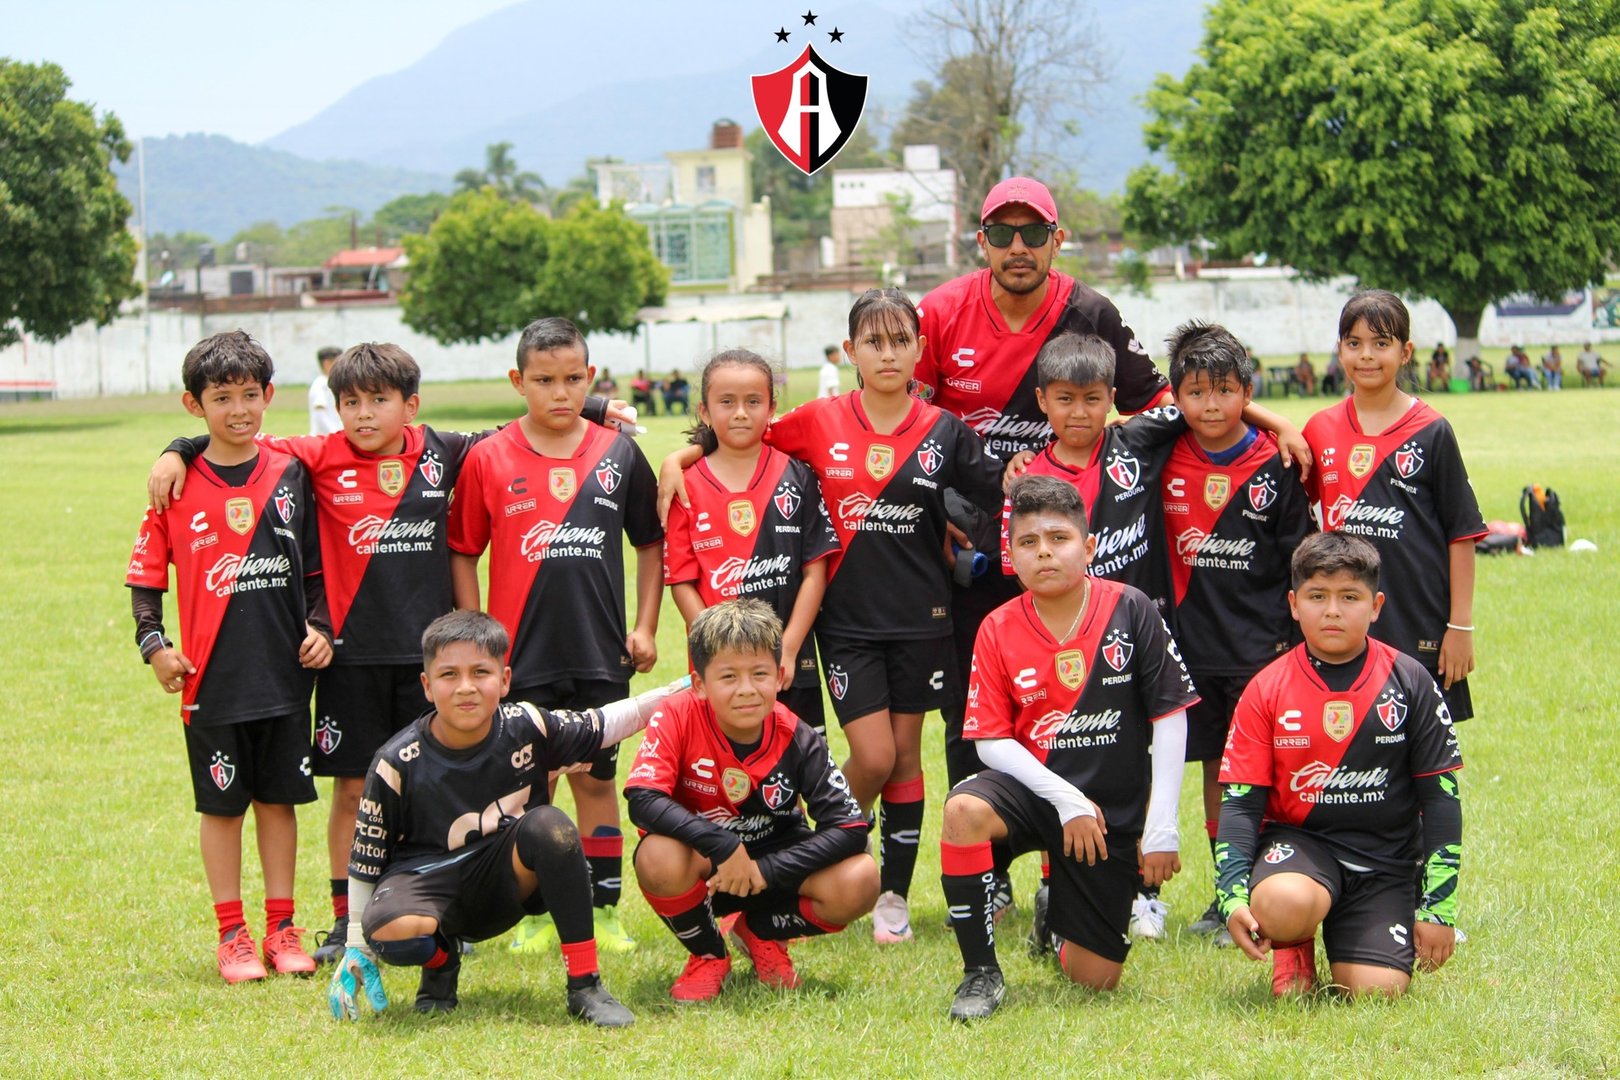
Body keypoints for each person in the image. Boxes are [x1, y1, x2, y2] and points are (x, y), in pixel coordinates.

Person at [662, 288, 1007, 945]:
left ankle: (892, 897)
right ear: (850, 350)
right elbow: (742, 434)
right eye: (873, 342)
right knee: (872, 757)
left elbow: (996, 494)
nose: (887, 354)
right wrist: (676, 459)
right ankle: (810, 856)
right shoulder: (817, 421)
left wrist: (962, 529)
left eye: (900, 341)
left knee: (905, 760)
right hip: (845, 624)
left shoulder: (945, 431)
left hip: (923, 616)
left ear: (919, 349)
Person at [145, 343, 497, 964]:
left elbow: (517, 434)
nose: (364, 415)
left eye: (379, 401)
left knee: (438, 785)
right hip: (346, 657)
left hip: (431, 662)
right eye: (350, 402)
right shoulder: (315, 455)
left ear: (410, 406)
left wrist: (598, 409)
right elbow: (235, 437)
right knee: (354, 789)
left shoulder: (441, 450)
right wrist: (177, 448)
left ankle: (445, 911)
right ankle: (346, 918)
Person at [1000, 331, 1298, 943]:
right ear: (1043, 401)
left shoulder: (1139, 438)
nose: (1079, 413)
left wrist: (1283, 424)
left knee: (1143, 767)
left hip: (1144, 636)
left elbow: (1208, 403)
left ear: (1113, 398)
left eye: (1092, 399)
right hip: (1068, 647)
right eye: (1064, 400)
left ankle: (1146, 893)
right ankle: (1063, 889)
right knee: (1077, 760)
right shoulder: (1030, 482)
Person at [328, 609, 689, 1023]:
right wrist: (357, 944)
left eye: (480, 672)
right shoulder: (396, 760)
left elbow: (605, 723)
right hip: (427, 884)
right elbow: (367, 857)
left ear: (504, 680)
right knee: (391, 932)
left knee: (551, 826)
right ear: (427, 686)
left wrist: (684, 688)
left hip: (506, 882)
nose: (466, 687)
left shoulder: (526, 724)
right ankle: (442, 962)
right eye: (449, 675)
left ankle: (585, 986)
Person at [939, 475, 1198, 1020]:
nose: (1044, 552)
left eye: (1059, 538)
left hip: (1108, 812)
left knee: (1096, 979)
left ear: (1090, 545)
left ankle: (1054, 920)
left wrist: (1162, 826)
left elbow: (1170, 717)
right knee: (963, 810)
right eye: (1029, 542)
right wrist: (1065, 799)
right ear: (1011, 556)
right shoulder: (996, 627)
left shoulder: (1131, 609)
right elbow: (990, 741)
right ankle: (980, 972)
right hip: (1035, 793)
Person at [448, 317, 664, 956]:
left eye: (573, 379)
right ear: (518, 381)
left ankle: (605, 909)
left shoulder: (618, 452)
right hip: (520, 655)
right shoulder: (488, 457)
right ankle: (535, 911)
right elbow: (463, 550)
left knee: (595, 782)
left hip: (599, 650)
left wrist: (645, 625)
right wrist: (478, 642)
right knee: (528, 787)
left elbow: (650, 543)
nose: (560, 392)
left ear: (590, 377)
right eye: (544, 381)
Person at [125, 330, 331, 983]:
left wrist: (321, 626)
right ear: (195, 405)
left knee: (278, 802)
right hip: (211, 680)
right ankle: (232, 935)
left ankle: (281, 929)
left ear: (269, 394)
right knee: (222, 807)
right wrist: (155, 646)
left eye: (249, 394)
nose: (238, 410)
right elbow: (145, 577)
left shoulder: (291, 470)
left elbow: (316, 569)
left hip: (284, 675)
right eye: (221, 398)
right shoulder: (176, 482)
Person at [1217, 532, 1463, 998]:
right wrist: (1230, 897)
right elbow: (1241, 805)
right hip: (1300, 848)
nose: (1332, 610)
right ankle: (1294, 945)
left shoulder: (1411, 680)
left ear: (1376, 606)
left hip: (1386, 859)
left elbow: (1441, 801)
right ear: (1294, 605)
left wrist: (1438, 909)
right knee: (1284, 902)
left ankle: (1359, 931)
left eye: (1349, 597)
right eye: (1317, 596)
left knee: (1377, 992)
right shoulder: (1266, 688)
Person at [625, 599, 878, 1001]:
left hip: (774, 869)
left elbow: (849, 827)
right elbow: (643, 798)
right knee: (656, 856)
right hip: (706, 868)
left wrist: (764, 870)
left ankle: (760, 931)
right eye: (728, 676)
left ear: (779, 677)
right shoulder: (676, 715)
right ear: (699, 684)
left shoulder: (796, 734)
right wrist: (724, 845)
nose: (746, 689)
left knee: (862, 878)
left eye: (759, 673)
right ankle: (709, 954)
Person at [1157, 321, 1313, 944]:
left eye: (1225, 391)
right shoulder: (1161, 450)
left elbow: (1299, 561)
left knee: (1256, 774)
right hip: (1191, 648)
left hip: (1261, 648)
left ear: (1247, 394)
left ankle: (1260, 888)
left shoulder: (1277, 462)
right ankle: (1227, 895)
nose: (1211, 405)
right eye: (1196, 393)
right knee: (1214, 771)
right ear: (1176, 397)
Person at [1304, 290, 1486, 726]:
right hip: (1345, 618)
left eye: (1381, 343)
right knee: (1354, 739)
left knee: (1426, 747)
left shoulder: (1432, 430)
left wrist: (1460, 626)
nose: (1367, 355)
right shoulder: (1319, 428)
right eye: (1354, 343)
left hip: (1418, 617)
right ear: (1340, 350)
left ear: (1405, 352)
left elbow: (1461, 533)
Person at [664, 350, 840, 735]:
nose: (741, 413)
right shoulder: (685, 485)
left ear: (772, 408)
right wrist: (717, 652)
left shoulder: (798, 476)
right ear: (705, 411)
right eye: (727, 402)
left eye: (753, 402)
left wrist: (788, 647)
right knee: (725, 766)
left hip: (788, 665)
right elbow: (681, 582)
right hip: (720, 669)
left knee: (798, 762)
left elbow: (815, 573)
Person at [309, 345, 343, 435]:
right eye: (339, 362)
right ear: (327, 364)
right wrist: (334, 434)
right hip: (325, 438)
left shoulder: (332, 383)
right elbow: (320, 414)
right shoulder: (320, 385)